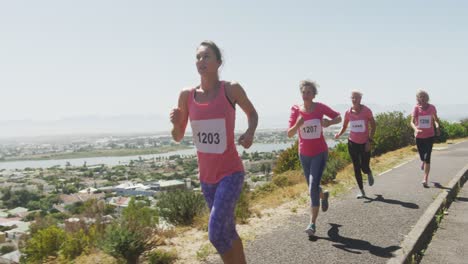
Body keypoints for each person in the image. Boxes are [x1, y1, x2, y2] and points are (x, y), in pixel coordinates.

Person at [170, 41, 258, 264]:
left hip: (231, 173)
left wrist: (249, 132)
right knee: (227, 231)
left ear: (219, 62)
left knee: (216, 234)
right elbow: (178, 136)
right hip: (206, 179)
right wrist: (176, 122)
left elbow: (252, 113)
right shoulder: (186, 95)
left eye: (207, 57)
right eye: (198, 57)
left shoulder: (231, 89)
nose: (201, 61)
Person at [287, 80, 342, 237]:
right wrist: (297, 124)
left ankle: (312, 223)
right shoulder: (296, 110)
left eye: (309, 92)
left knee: (312, 187)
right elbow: (289, 133)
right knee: (312, 186)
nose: (305, 95)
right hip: (304, 154)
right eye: (303, 92)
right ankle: (323, 195)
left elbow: (338, 117)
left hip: (319, 152)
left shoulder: (320, 108)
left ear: (314, 94)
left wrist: (329, 122)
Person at [334, 90, 376, 198]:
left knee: (364, 167)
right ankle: (362, 191)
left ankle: (369, 172)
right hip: (352, 143)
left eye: (356, 97)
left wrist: (369, 140)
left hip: (365, 143)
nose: (354, 99)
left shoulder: (366, 111)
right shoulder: (348, 112)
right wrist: (339, 134)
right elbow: (344, 126)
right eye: (352, 97)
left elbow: (373, 125)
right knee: (356, 167)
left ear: (360, 99)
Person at [410, 90, 440, 188]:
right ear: (418, 98)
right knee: (422, 157)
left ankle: (425, 178)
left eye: (424, 96)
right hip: (419, 136)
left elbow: (436, 120)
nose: (422, 98)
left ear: (427, 98)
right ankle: (423, 161)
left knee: (428, 158)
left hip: (430, 136)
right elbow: (412, 122)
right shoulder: (416, 108)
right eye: (420, 97)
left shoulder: (432, 108)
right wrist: (416, 129)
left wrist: (437, 127)